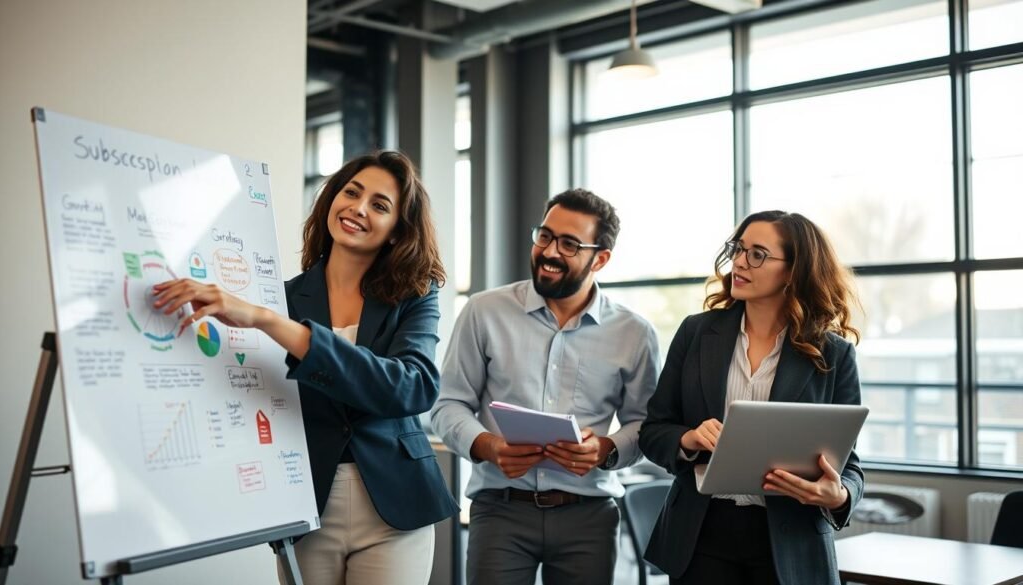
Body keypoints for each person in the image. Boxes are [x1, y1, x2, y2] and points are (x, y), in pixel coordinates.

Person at [153, 151, 457, 585]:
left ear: (396, 232)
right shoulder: (280, 297)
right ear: (332, 198)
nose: (358, 208)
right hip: (307, 499)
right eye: (351, 192)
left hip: (396, 504)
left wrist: (271, 323)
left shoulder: (414, 295)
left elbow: (411, 388)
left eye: (379, 205)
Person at [431, 188, 660, 585]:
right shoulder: (483, 312)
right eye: (545, 236)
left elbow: (648, 425)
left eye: (569, 244)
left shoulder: (634, 333)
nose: (550, 251)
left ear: (600, 258)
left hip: (588, 515)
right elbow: (448, 405)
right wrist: (490, 446)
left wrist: (605, 449)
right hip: (500, 510)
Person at [638, 210, 864, 585]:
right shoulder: (696, 333)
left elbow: (850, 466)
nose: (739, 262)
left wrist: (838, 495)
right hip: (701, 535)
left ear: (793, 271)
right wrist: (687, 440)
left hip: (789, 541)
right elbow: (653, 430)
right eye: (738, 249)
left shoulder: (833, 354)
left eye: (757, 254)